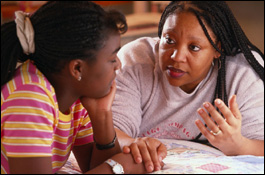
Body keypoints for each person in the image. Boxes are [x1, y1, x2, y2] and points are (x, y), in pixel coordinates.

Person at [1, 1, 162, 174]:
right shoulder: (29, 98)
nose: (119, 65)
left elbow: (92, 167)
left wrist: (102, 114)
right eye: (112, 58)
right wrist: (119, 168)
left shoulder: (74, 94)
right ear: (77, 68)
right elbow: (107, 167)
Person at [112, 1, 264, 157]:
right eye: (169, 40)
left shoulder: (242, 73)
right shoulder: (135, 60)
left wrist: (239, 146)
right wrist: (133, 144)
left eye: (194, 47)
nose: (176, 57)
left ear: (218, 49)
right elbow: (111, 134)